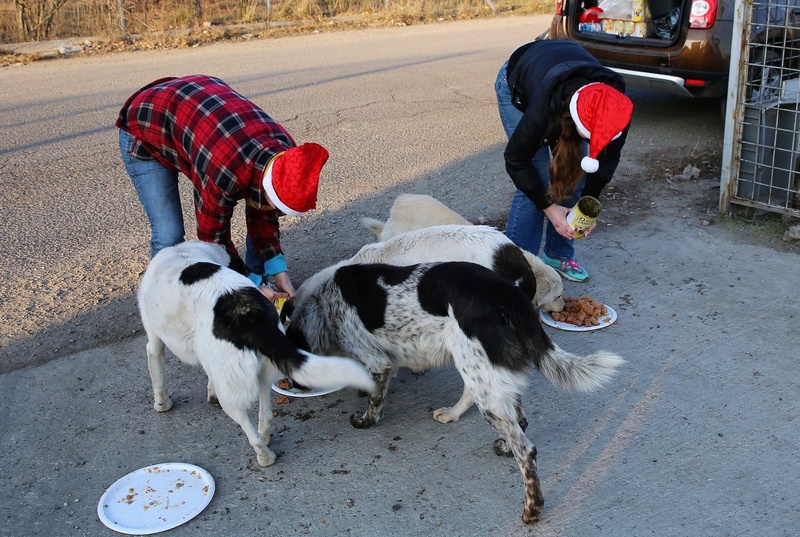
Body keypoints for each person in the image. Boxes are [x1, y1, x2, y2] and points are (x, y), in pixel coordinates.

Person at [117, 74, 329, 300]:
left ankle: (260, 283)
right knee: (169, 233)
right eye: (275, 204)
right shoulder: (224, 173)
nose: (275, 211)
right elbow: (213, 241)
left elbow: (263, 213)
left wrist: (278, 271)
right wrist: (247, 284)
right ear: (267, 187)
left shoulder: (287, 155)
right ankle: (163, 302)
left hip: (196, 114)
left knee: (260, 214)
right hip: (147, 123)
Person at [495, 40, 633, 282]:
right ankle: (517, 267)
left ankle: (557, 256)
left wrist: (586, 209)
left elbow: (607, 163)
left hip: (561, 74)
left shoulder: (616, 109)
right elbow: (516, 160)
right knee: (536, 176)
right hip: (519, 85)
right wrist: (550, 207)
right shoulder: (544, 107)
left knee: (575, 170)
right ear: (578, 121)